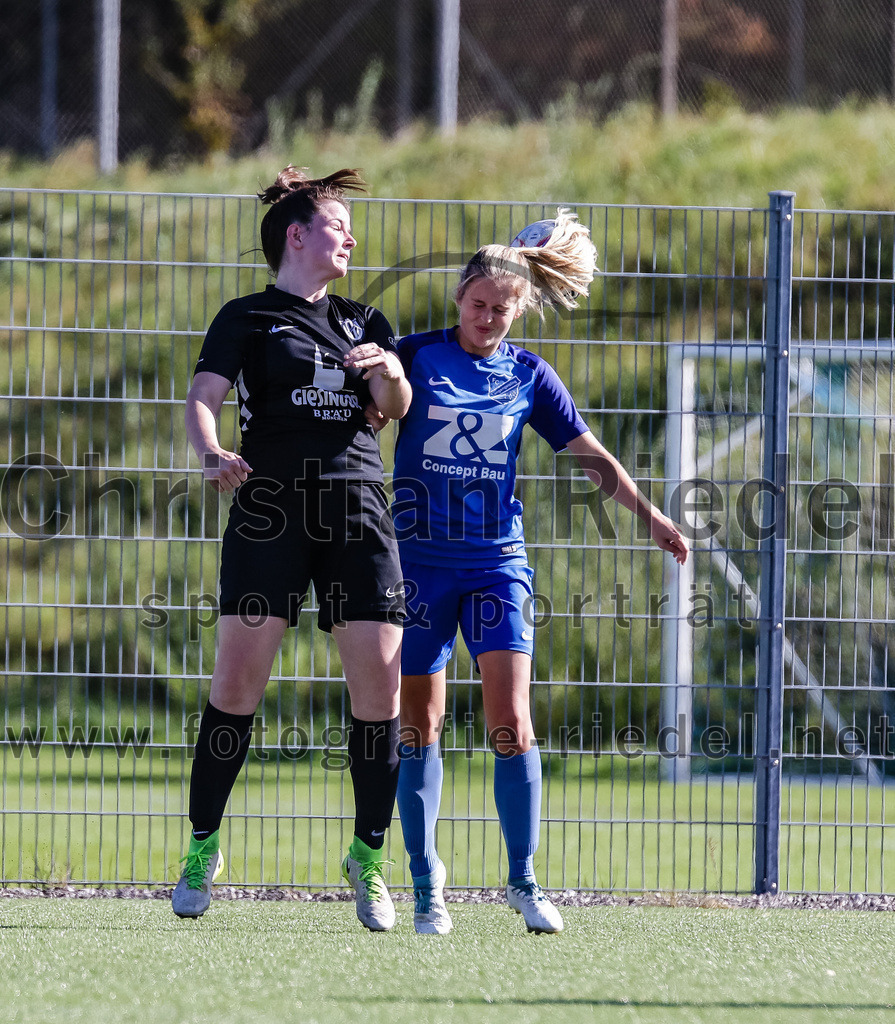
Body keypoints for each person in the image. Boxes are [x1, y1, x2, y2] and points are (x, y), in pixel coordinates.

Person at [389, 210, 690, 935]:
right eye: (477, 304)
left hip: (496, 565)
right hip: (417, 566)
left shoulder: (528, 373)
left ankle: (523, 881)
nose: (487, 317)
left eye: (501, 308)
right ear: (457, 298)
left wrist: (649, 515)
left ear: (519, 309)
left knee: (510, 724)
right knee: (417, 726)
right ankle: (425, 883)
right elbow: (357, 416)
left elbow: (590, 455)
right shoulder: (414, 356)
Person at [175, 166, 412, 932]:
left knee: (379, 692)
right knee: (236, 687)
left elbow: (394, 410)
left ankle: (368, 859)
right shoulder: (244, 317)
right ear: (298, 235)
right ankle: (202, 846)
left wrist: (392, 372)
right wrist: (213, 454)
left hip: (356, 509)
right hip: (269, 508)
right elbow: (204, 398)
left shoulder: (364, 319)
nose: (351, 237)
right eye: (339, 225)